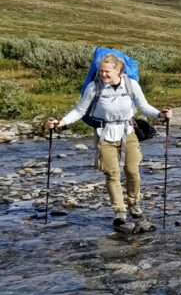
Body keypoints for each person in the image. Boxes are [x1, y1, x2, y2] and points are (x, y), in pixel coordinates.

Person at [47, 53, 171, 231]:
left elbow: (143, 106)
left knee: (132, 171)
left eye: (107, 72)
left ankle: (134, 205)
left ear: (118, 70)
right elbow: (80, 110)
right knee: (112, 174)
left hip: (128, 132)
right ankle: (119, 211)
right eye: (101, 71)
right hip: (104, 134)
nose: (103, 75)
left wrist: (160, 114)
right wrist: (61, 122)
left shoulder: (131, 84)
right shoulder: (94, 87)